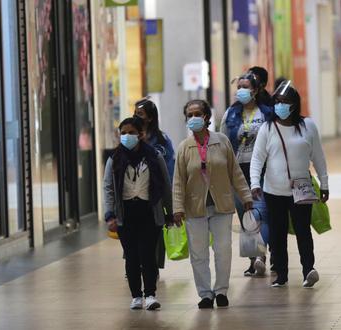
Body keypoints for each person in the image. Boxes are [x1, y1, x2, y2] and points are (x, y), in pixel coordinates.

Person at [172, 100, 253, 309]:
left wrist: (246, 197)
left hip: (221, 205)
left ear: (207, 117)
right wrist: (177, 208)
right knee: (198, 253)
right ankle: (205, 294)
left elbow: (235, 173)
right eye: (189, 115)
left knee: (223, 249)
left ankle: (221, 291)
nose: (193, 118)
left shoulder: (222, 141)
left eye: (197, 114)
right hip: (194, 207)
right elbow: (179, 181)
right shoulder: (184, 147)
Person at [250, 81, 329, 288]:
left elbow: (318, 156)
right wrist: (254, 183)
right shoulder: (267, 128)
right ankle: (281, 275)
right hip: (273, 190)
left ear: (294, 104)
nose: (280, 106)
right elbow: (257, 158)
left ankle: (308, 270)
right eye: (278, 102)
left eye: (285, 102)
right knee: (277, 233)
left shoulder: (308, 126)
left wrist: (324, 183)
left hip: (301, 189)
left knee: (303, 230)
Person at [103, 117, 172, 310]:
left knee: (148, 254)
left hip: (149, 212)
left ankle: (150, 294)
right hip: (126, 214)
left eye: (131, 132)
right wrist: (110, 214)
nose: (127, 136)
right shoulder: (114, 159)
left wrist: (170, 211)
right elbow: (108, 187)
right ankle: (136, 296)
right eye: (123, 133)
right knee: (132, 256)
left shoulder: (154, 156)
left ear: (141, 134)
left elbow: (165, 186)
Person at [221, 73, 272, 277]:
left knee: (261, 213)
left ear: (256, 90)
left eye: (245, 86)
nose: (240, 90)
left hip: (262, 169)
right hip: (237, 171)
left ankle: (261, 256)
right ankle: (254, 261)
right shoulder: (231, 114)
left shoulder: (267, 113)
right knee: (245, 217)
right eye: (238, 86)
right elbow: (223, 140)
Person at [133, 98, 175, 273]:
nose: (136, 117)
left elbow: (168, 168)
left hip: (154, 193)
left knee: (154, 231)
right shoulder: (130, 136)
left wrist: (169, 199)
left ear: (150, 118)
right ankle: (135, 265)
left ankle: (152, 267)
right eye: (135, 113)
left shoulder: (161, 140)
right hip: (133, 193)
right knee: (134, 232)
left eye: (140, 114)